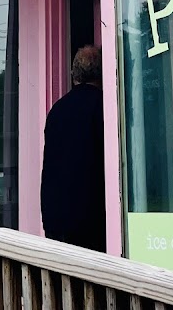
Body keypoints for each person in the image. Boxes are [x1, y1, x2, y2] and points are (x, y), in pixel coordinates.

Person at [40, 44, 106, 251]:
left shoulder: (56, 111)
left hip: (55, 217)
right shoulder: (104, 106)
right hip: (91, 220)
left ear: (73, 73)